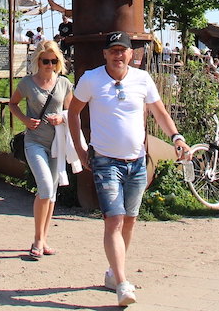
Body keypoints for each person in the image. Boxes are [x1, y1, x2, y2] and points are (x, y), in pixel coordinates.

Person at [68, 31, 189, 307]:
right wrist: (80, 149)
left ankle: (113, 273)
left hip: (136, 161)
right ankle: (123, 283)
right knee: (114, 220)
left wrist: (177, 138)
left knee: (130, 219)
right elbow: (73, 112)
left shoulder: (142, 79)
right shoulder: (91, 79)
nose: (118, 55)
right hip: (105, 161)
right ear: (105, 54)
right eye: (113, 51)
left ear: (131, 54)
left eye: (122, 50)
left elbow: (160, 112)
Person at [8, 42, 73, 260]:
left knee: (51, 192)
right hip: (34, 142)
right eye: (46, 61)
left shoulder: (64, 83)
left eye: (54, 61)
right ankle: (37, 240)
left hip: (56, 144)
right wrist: (25, 120)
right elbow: (13, 104)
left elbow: (71, 111)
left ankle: (44, 239)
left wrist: (61, 117)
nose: (50, 65)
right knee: (45, 186)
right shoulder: (27, 83)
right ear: (38, 61)